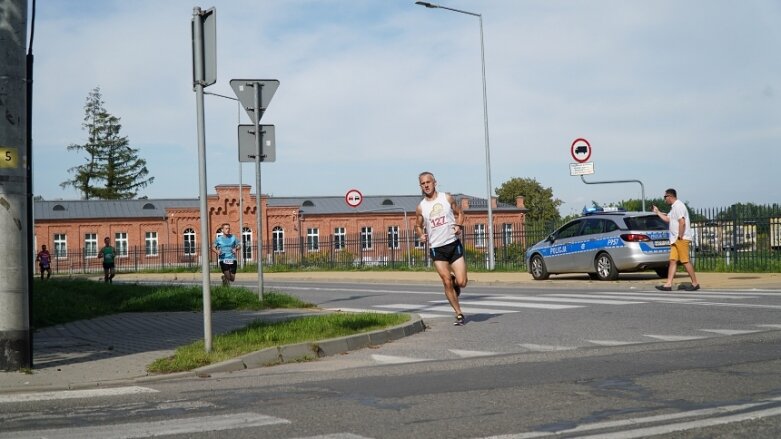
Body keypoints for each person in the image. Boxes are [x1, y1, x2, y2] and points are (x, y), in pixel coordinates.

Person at [415, 171, 468, 326]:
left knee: (462, 282)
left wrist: (458, 225)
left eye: (428, 182)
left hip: (452, 244)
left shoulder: (446, 198)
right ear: (421, 186)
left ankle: (455, 281)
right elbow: (417, 226)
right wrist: (421, 235)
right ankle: (459, 313)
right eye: (423, 183)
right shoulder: (421, 207)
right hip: (437, 249)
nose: (426, 185)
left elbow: (460, 213)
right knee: (446, 281)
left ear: (434, 183)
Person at [652, 188, 700, 291]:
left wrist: (680, 236)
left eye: (665, 197)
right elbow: (667, 219)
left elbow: (682, 222)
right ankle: (668, 284)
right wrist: (657, 212)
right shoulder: (674, 208)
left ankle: (695, 283)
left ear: (670, 196)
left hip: (680, 238)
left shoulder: (679, 206)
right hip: (674, 239)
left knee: (685, 261)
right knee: (673, 261)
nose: (664, 199)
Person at [213, 223, 240, 287]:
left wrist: (236, 248)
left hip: (232, 259)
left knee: (232, 279)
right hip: (223, 259)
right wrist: (217, 251)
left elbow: (239, 245)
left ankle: (224, 277)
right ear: (222, 230)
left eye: (229, 228)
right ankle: (225, 283)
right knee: (228, 276)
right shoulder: (218, 239)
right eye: (226, 228)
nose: (228, 230)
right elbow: (213, 247)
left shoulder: (233, 237)